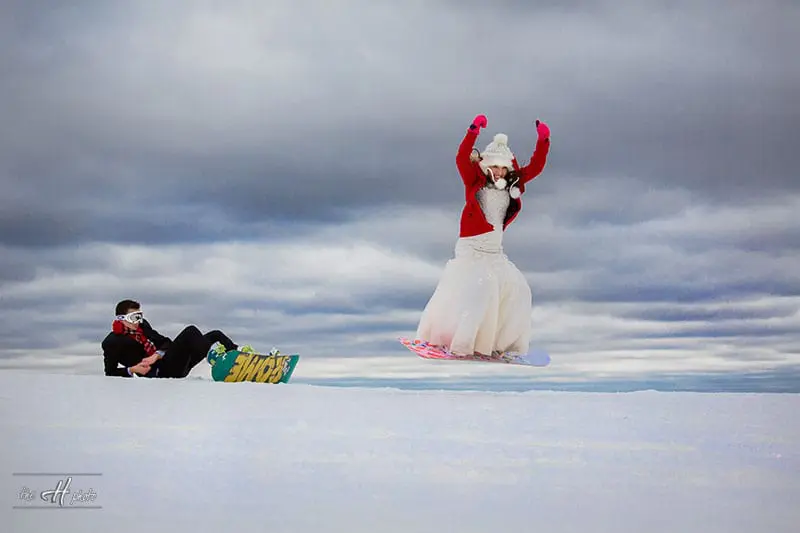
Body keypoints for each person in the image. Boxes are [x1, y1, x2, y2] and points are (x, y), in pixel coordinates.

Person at [414, 113, 551, 357]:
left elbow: (537, 167)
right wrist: (473, 131)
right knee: (483, 288)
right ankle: (459, 344)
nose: (498, 172)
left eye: (502, 167)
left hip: (494, 252)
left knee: (518, 289)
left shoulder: (512, 185)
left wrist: (543, 141)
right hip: (471, 248)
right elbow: (460, 158)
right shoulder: (473, 181)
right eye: (494, 166)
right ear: (486, 165)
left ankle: (502, 347)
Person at [101, 299, 251, 378]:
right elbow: (110, 372)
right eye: (134, 317)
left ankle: (239, 356)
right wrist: (132, 369)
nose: (138, 320)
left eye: (140, 316)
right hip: (161, 373)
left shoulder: (143, 326)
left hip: (171, 363)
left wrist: (155, 355)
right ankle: (219, 360)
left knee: (215, 335)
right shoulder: (112, 342)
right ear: (121, 318)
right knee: (190, 331)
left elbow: (166, 342)